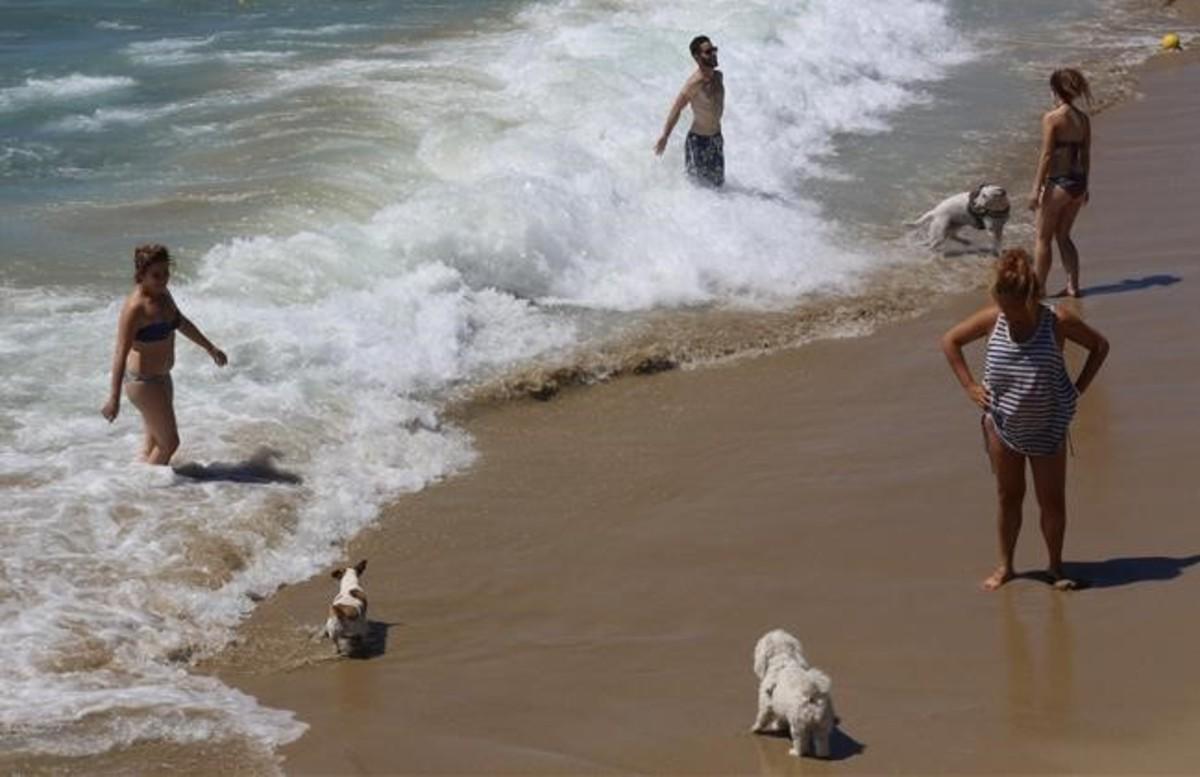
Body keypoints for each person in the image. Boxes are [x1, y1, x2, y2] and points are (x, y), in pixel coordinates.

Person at [941, 249, 1108, 591]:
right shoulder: (993, 319)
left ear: (1033, 298)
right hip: (1002, 425)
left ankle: (1056, 567)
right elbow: (950, 341)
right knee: (1008, 496)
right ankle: (1006, 566)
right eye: (1004, 308)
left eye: (1015, 310)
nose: (1010, 317)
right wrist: (970, 386)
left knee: (1052, 501)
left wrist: (1077, 390)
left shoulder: (1057, 321)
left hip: (1049, 426)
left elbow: (1100, 347)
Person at [101, 244, 227, 465]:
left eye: (166, 273)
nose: (163, 279)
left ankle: (141, 485)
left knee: (153, 443)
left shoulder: (163, 295)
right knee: (169, 443)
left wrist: (210, 348)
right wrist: (114, 399)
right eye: (156, 275)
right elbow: (120, 353)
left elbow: (181, 323)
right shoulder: (135, 309)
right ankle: (149, 490)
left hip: (161, 378)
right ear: (141, 274)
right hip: (143, 383)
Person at [1028, 68, 1092, 298]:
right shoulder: (1083, 119)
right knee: (1064, 236)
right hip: (1078, 183)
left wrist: (1036, 188)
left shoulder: (1052, 118)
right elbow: (1085, 155)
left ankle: (1039, 289)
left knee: (1043, 238)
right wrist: (1086, 186)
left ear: (1054, 90)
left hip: (1058, 183)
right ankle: (1073, 285)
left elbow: (1046, 155)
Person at [654, 34, 725, 187]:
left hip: (716, 139)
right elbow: (677, 107)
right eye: (708, 52)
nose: (713, 53)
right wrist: (665, 136)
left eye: (714, 50)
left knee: (719, 187)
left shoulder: (718, 77)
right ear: (697, 57)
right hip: (698, 142)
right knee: (701, 190)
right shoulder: (694, 83)